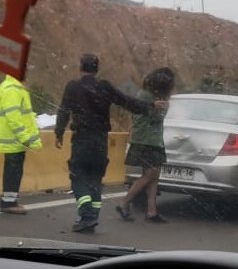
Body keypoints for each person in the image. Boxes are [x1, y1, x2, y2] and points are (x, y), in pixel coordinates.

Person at [55, 54, 166, 233]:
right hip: (100, 141)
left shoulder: (73, 87)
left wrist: (58, 133)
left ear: (81, 67)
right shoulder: (104, 87)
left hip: (82, 139)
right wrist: (150, 106)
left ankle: (86, 216)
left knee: (79, 176)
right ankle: (93, 216)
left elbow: (63, 111)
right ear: (96, 69)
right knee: (96, 178)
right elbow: (126, 102)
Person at [116, 67, 175, 223]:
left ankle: (151, 211)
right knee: (150, 174)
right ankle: (124, 202)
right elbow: (156, 117)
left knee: (154, 176)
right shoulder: (148, 97)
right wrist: (164, 107)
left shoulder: (145, 94)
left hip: (151, 140)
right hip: (146, 140)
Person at [0, 74, 43, 214]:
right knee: (13, 171)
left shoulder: (14, 88)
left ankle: (10, 200)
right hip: (14, 140)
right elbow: (13, 118)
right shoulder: (12, 89)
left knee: (14, 171)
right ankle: (8, 203)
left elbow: (21, 115)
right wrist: (25, 137)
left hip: (14, 140)